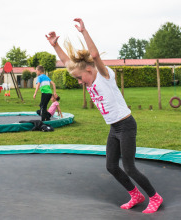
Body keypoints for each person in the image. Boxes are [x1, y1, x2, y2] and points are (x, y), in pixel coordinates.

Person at [46, 18, 163, 214]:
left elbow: (94, 54)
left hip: (126, 125)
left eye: (79, 78)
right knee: (111, 166)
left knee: (129, 167)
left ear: (90, 70)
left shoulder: (103, 75)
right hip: (114, 128)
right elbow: (69, 63)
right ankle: (135, 194)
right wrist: (56, 45)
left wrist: (84, 32)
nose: (79, 82)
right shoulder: (87, 76)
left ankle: (155, 197)